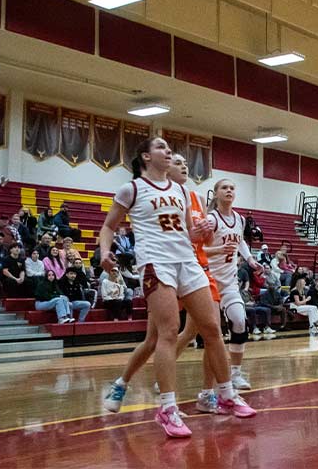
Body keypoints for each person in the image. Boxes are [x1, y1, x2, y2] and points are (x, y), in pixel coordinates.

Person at [97, 137, 254, 438]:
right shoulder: (131, 188)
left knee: (211, 329)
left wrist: (201, 232)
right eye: (161, 148)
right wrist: (105, 252)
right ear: (146, 156)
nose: (168, 152)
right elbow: (108, 226)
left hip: (188, 262)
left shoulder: (182, 191)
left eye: (170, 149)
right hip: (157, 264)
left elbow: (189, 234)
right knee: (166, 333)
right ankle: (167, 407)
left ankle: (226, 393)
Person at [104, 153, 228, 416]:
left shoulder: (191, 197)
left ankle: (208, 395)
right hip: (162, 270)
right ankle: (123, 383)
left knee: (208, 331)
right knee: (156, 339)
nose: (183, 165)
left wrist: (206, 233)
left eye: (185, 162)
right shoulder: (147, 195)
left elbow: (201, 241)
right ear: (161, 169)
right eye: (177, 162)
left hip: (194, 269)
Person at [205, 178, 265, 389]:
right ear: (216, 193)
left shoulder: (239, 219)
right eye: (224, 187)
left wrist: (249, 259)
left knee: (239, 321)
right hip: (207, 281)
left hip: (229, 282)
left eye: (232, 187)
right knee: (191, 333)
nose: (229, 190)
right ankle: (164, 373)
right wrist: (219, 250)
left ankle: (236, 374)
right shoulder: (211, 220)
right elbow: (196, 250)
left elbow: (239, 242)